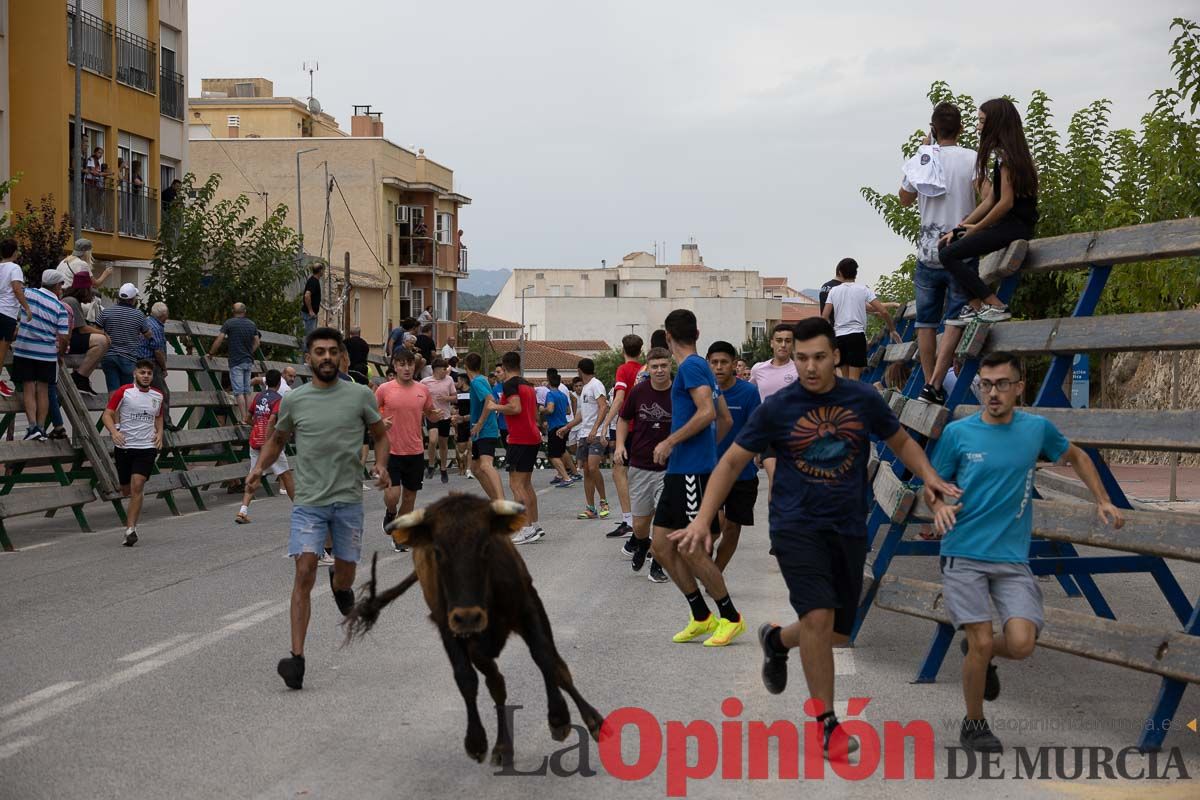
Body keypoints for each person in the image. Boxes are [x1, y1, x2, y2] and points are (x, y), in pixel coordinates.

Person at [673, 317, 959, 759]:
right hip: (796, 526)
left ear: (836, 357)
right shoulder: (778, 407)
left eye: (819, 357)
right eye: (801, 358)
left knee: (834, 634)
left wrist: (930, 478)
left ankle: (776, 640)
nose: (809, 366)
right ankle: (828, 724)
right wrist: (701, 521)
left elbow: (901, 442)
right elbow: (730, 462)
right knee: (819, 618)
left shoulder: (862, 398)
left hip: (847, 528)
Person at [928, 351, 1122, 753]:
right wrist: (938, 505)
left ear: (1019, 388)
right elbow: (932, 481)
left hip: (1011, 559)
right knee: (982, 640)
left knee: (1020, 644)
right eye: (985, 384)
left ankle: (978, 654)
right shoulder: (958, 434)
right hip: (963, 553)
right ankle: (974, 722)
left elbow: (1078, 457)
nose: (992, 392)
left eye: (1001, 384)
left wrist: (1102, 500)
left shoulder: (1036, 430)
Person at [245, 326, 390, 691]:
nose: (326, 357)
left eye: (332, 352)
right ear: (308, 358)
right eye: (319, 352)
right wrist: (259, 468)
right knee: (304, 570)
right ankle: (297, 659)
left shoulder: (359, 396)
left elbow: (380, 435)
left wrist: (382, 465)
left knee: (345, 574)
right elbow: (277, 439)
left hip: (348, 502)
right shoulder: (295, 401)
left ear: (341, 356)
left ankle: (341, 586)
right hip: (309, 502)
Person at [649, 309, 741, 648]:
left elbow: (707, 412)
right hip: (683, 470)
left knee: (691, 548)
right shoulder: (700, 366)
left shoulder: (690, 367)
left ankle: (730, 616)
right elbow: (725, 419)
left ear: (667, 337)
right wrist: (704, 453)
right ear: (697, 333)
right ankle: (701, 615)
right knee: (660, 545)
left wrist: (672, 442)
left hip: (690, 473)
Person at [899, 102, 981, 406]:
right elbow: (986, 195)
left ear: (933, 129)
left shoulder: (923, 158)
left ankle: (929, 383)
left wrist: (922, 153)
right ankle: (935, 383)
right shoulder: (973, 159)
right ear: (961, 129)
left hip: (927, 251)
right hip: (961, 247)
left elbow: (904, 199)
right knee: (956, 317)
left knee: (926, 322)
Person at [938, 98, 1039, 325]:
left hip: (1015, 227)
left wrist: (976, 230)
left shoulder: (1007, 159)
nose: (978, 127)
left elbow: (1005, 203)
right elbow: (991, 198)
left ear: (996, 123)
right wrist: (960, 228)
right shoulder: (1008, 155)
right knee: (945, 245)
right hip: (1008, 226)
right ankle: (977, 307)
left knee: (948, 254)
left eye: (982, 121)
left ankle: (994, 305)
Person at [616, 346, 673, 584]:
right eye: (655, 366)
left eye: (663, 365)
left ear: (671, 365)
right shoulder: (639, 391)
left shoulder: (680, 392)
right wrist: (620, 445)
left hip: (671, 468)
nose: (659, 370)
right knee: (640, 523)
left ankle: (657, 564)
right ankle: (642, 544)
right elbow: (623, 417)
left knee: (664, 520)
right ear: (647, 368)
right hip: (640, 465)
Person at [376, 350, 442, 550]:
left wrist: (435, 416)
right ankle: (390, 513)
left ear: (415, 366)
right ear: (394, 366)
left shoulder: (422, 389)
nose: (406, 368)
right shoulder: (384, 389)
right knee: (393, 495)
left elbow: (430, 414)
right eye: (402, 364)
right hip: (390, 450)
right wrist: (379, 422)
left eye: (410, 364)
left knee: (410, 496)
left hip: (414, 450)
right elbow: (368, 413)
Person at [479, 351, 544, 544]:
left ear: (505, 368)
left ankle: (526, 527)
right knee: (526, 484)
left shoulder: (510, 385)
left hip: (521, 439)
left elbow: (515, 408)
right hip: (531, 436)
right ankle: (534, 524)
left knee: (516, 485)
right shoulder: (526, 384)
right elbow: (531, 412)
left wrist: (494, 407)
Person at [707, 341, 761, 571]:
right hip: (707, 471)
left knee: (732, 528)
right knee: (713, 525)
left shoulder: (749, 392)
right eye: (714, 363)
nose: (719, 367)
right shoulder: (701, 392)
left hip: (742, 473)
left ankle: (716, 573)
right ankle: (705, 565)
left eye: (724, 362)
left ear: (734, 365)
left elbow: (756, 429)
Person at [101, 359, 165, 547]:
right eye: (142, 373)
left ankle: (130, 529)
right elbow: (107, 414)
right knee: (126, 489)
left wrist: (160, 433)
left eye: (149, 373)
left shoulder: (158, 395)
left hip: (147, 447)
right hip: (125, 447)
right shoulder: (124, 392)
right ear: (135, 374)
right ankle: (133, 505)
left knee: (138, 485)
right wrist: (114, 432)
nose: (146, 376)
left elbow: (159, 416)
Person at [12, 271, 70, 440]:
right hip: (47, 354)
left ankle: (31, 427)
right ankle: (42, 427)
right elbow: (64, 337)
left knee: (29, 387)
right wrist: (60, 353)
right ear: (57, 285)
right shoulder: (60, 307)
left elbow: (14, 291)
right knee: (43, 390)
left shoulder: (28, 293)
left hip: (24, 350)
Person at [821, 258, 899, 381]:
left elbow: (824, 317)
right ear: (856, 274)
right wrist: (892, 329)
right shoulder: (863, 290)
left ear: (840, 272)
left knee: (845, 380)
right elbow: (883, 311)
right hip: (856, 336)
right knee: (855, 380)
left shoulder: (833, 291)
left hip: (839, 336)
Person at [236, 369, 295, 524]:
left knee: (255, 474)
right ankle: (300, 509)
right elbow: (272, 421)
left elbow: (247, 418)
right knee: (285, 474)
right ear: (279, 382)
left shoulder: (258, 397)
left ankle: (243, 510)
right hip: (270, 443)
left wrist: (257, 425)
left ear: (266, 382)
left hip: (255, 439)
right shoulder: (278, 399)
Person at [599, 334, 643, 537]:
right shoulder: (644, 370)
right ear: (641, 351)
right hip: (645, 426)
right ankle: (641, 520)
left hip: (628, 426)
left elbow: (619, 398)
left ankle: (629, 520)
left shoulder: (623, 370)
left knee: (619, 471)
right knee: (643, 474)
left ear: (623, 351)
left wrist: (606, 423)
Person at [749, 324, 796, 496]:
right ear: (771, 343)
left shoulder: (800, 369)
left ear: (793, 344)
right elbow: (750, 399)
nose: (783, 344)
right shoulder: (758, 369)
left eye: (788, 341)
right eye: (779, 340)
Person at [561, 358, 609, 520]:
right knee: (587, 471)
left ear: (580, 370)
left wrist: (595, 429)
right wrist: (567, 427)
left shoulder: (596, 384)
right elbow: (583, 414)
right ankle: (590, 508)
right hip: (583, 435)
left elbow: (604, 406)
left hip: (595, 434)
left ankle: (604, 502)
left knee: (594, 468)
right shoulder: (586, 389)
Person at [461, 352, 504, 500]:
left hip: (485, 430)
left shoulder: (476, 382)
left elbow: (490, 400)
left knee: (486, 465)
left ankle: (501, 501)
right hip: (479, 431)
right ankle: (496, 501)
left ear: (465, 366)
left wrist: (479, 423)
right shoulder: (483, 380)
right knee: (476, 469)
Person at [208, 302, 261, 420]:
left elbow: (220, 339)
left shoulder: (229, 323)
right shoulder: (252, 324)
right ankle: (249, 417)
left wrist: (211, 352)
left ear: (233, 311)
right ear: (245, 311)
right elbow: (257, 342)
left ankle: (243, 418)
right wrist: (249, 352)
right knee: (247, 391)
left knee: (238, 392)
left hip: (236, 362)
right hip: (248, 361)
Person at [97, 283, 152, 392]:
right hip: (128, 357)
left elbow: (96, 329)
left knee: (113, 390)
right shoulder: (138, 315)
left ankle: (111, 408)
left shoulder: (106, 312)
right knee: (126, 392)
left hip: (109, 355)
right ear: (133, 299)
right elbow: (148, 334)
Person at [61, 273, 109, 396]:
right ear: (85, 290)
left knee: (101, 341)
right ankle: (79, 376)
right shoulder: (71, 301)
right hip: (66, 339)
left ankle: (83, 377)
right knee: (101, 341)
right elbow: (82, 329)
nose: (91, 294)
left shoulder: (71, 299)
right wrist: (103, 332)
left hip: (68, 337)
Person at [0, 239, 32, 399]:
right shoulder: (15, 268)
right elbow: (17, 288)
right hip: (7, 312)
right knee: (2, 349)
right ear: (14, 252)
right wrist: (26, 307)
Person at [421, 357, 457, 484]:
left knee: (443, 443)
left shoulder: (449, 380)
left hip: (445, 416)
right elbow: (419, 397)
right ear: (436, 369)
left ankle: (443, 468)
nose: (446, 371)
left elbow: (455, 398)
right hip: (431, 415)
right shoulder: (425, 382)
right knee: (432, 440)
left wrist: (446, 398)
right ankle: (431, 465)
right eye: (444, 369)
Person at [543, 372, 576, 487]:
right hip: (564, 426)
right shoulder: (563, 395)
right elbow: (568, 411)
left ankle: (566, 478)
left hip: (555, 427)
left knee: (553, 455)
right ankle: (561, 475)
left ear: (549, 382)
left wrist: (543, 410)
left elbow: (550, 409)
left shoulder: (550, 394)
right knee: (561, 451)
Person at [140, 302, 171, 424]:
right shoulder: (157, 327)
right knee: (162, 393)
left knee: (146, 394)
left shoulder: (147, 321)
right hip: (151, 362)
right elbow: (158, 351)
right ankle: (164, 423)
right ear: (163, 315)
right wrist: (164, 368)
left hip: (140, 362)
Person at [453, 371, 473, 477]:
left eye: (458, 380)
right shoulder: (459, 393)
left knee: (470, 446)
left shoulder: (472, 392)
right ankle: (462, 465)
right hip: (460, 423)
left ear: (463, 381)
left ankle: (468, 469)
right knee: (461, 449)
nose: (457, 383)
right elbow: (456, 408)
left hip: (471, 421)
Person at [302, 263, 323, 335]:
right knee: (309, 338)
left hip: (309, 315)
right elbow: (307, 296)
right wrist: (310, 311)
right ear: (320, 271)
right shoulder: (313, 281)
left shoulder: (313, 280)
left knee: (309, 337)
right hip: (309, 316)